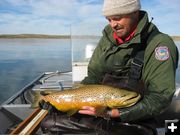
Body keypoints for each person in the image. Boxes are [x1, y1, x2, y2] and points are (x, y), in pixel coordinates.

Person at [40, 0, 179, 134]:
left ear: (135, 12)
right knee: (49, 122)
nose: (113, 25)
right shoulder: (108, 39)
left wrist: (113, 113)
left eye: (117, 18)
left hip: (138, 119)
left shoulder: (159, 45)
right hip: (100, 112)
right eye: (109, 19)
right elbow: (93, 78)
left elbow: (160, 97)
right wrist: (63, 103)